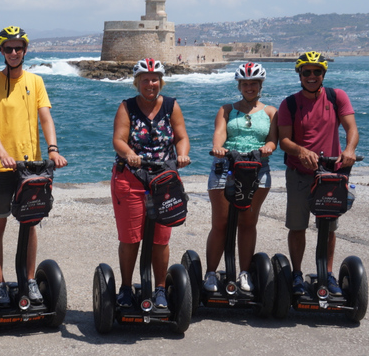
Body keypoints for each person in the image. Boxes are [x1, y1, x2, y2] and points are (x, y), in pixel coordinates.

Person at [0, 26, 68, 306]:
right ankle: (1, 282)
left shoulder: (36, 81)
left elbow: (45, 119)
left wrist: (53, 150)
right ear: (1, 51)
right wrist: (3, 153)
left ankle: (30, 279)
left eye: (18, 48)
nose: (14, 53)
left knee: (30, 223)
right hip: (2, 166)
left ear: (25, 50)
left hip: (32, 167)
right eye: (8, 49)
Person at [111, 58, 190, 309]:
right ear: (137, 82)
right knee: (131, 238)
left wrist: (182, 154)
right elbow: (119, 140)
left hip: (163, 179)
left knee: (160, 238)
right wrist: (129, 154)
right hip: (131, 177)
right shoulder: (127, 107)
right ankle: (125, 288)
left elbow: (182, 136)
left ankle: (159, 289)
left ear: (161, 81)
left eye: (155, 79)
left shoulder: (171, 106)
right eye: (145, 79)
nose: (151, 83)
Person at [278, 52, 358, 296]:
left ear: (323, 74)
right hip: (299, 173)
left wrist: (350, 149)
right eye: (306, 72)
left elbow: (351, 128)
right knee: (298, 226)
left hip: (330, 173)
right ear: (299, 74)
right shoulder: (289, 103)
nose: (312, 76)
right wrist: (301, 151)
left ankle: (328, 273)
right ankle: (297, 274)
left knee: (329, 227)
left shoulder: (336, 97)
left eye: (316, 72)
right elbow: (284, 140)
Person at [204, 63, 278, 292]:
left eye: (253, 83)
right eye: (245, 83)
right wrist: (218, 148)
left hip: (257, 169)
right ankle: (211, 273)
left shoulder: (270, 112)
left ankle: (244, 272)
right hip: (226, 167)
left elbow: (273, 139)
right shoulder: (227, 109)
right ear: (239, 85)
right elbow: (219, 134)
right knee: (221, 223)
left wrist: (268, 147)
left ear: (260, 85)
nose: (249, 87)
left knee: (248, 223)